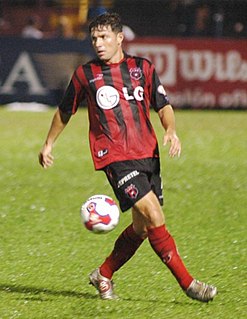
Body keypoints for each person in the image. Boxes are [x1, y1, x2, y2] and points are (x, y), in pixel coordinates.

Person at [39, 12, 217, 302]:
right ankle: (189, 285)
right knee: (154, 215)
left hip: (147, 153)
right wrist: (48, 143)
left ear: (119, 38)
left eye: (104, 37)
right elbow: (65, 110)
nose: (98, 43)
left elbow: (163, 105)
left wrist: (170, 130)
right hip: (113, 156)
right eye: (94, 38)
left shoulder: (142, 68)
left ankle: (103, 274)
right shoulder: (85, 74)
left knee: (142, 227)